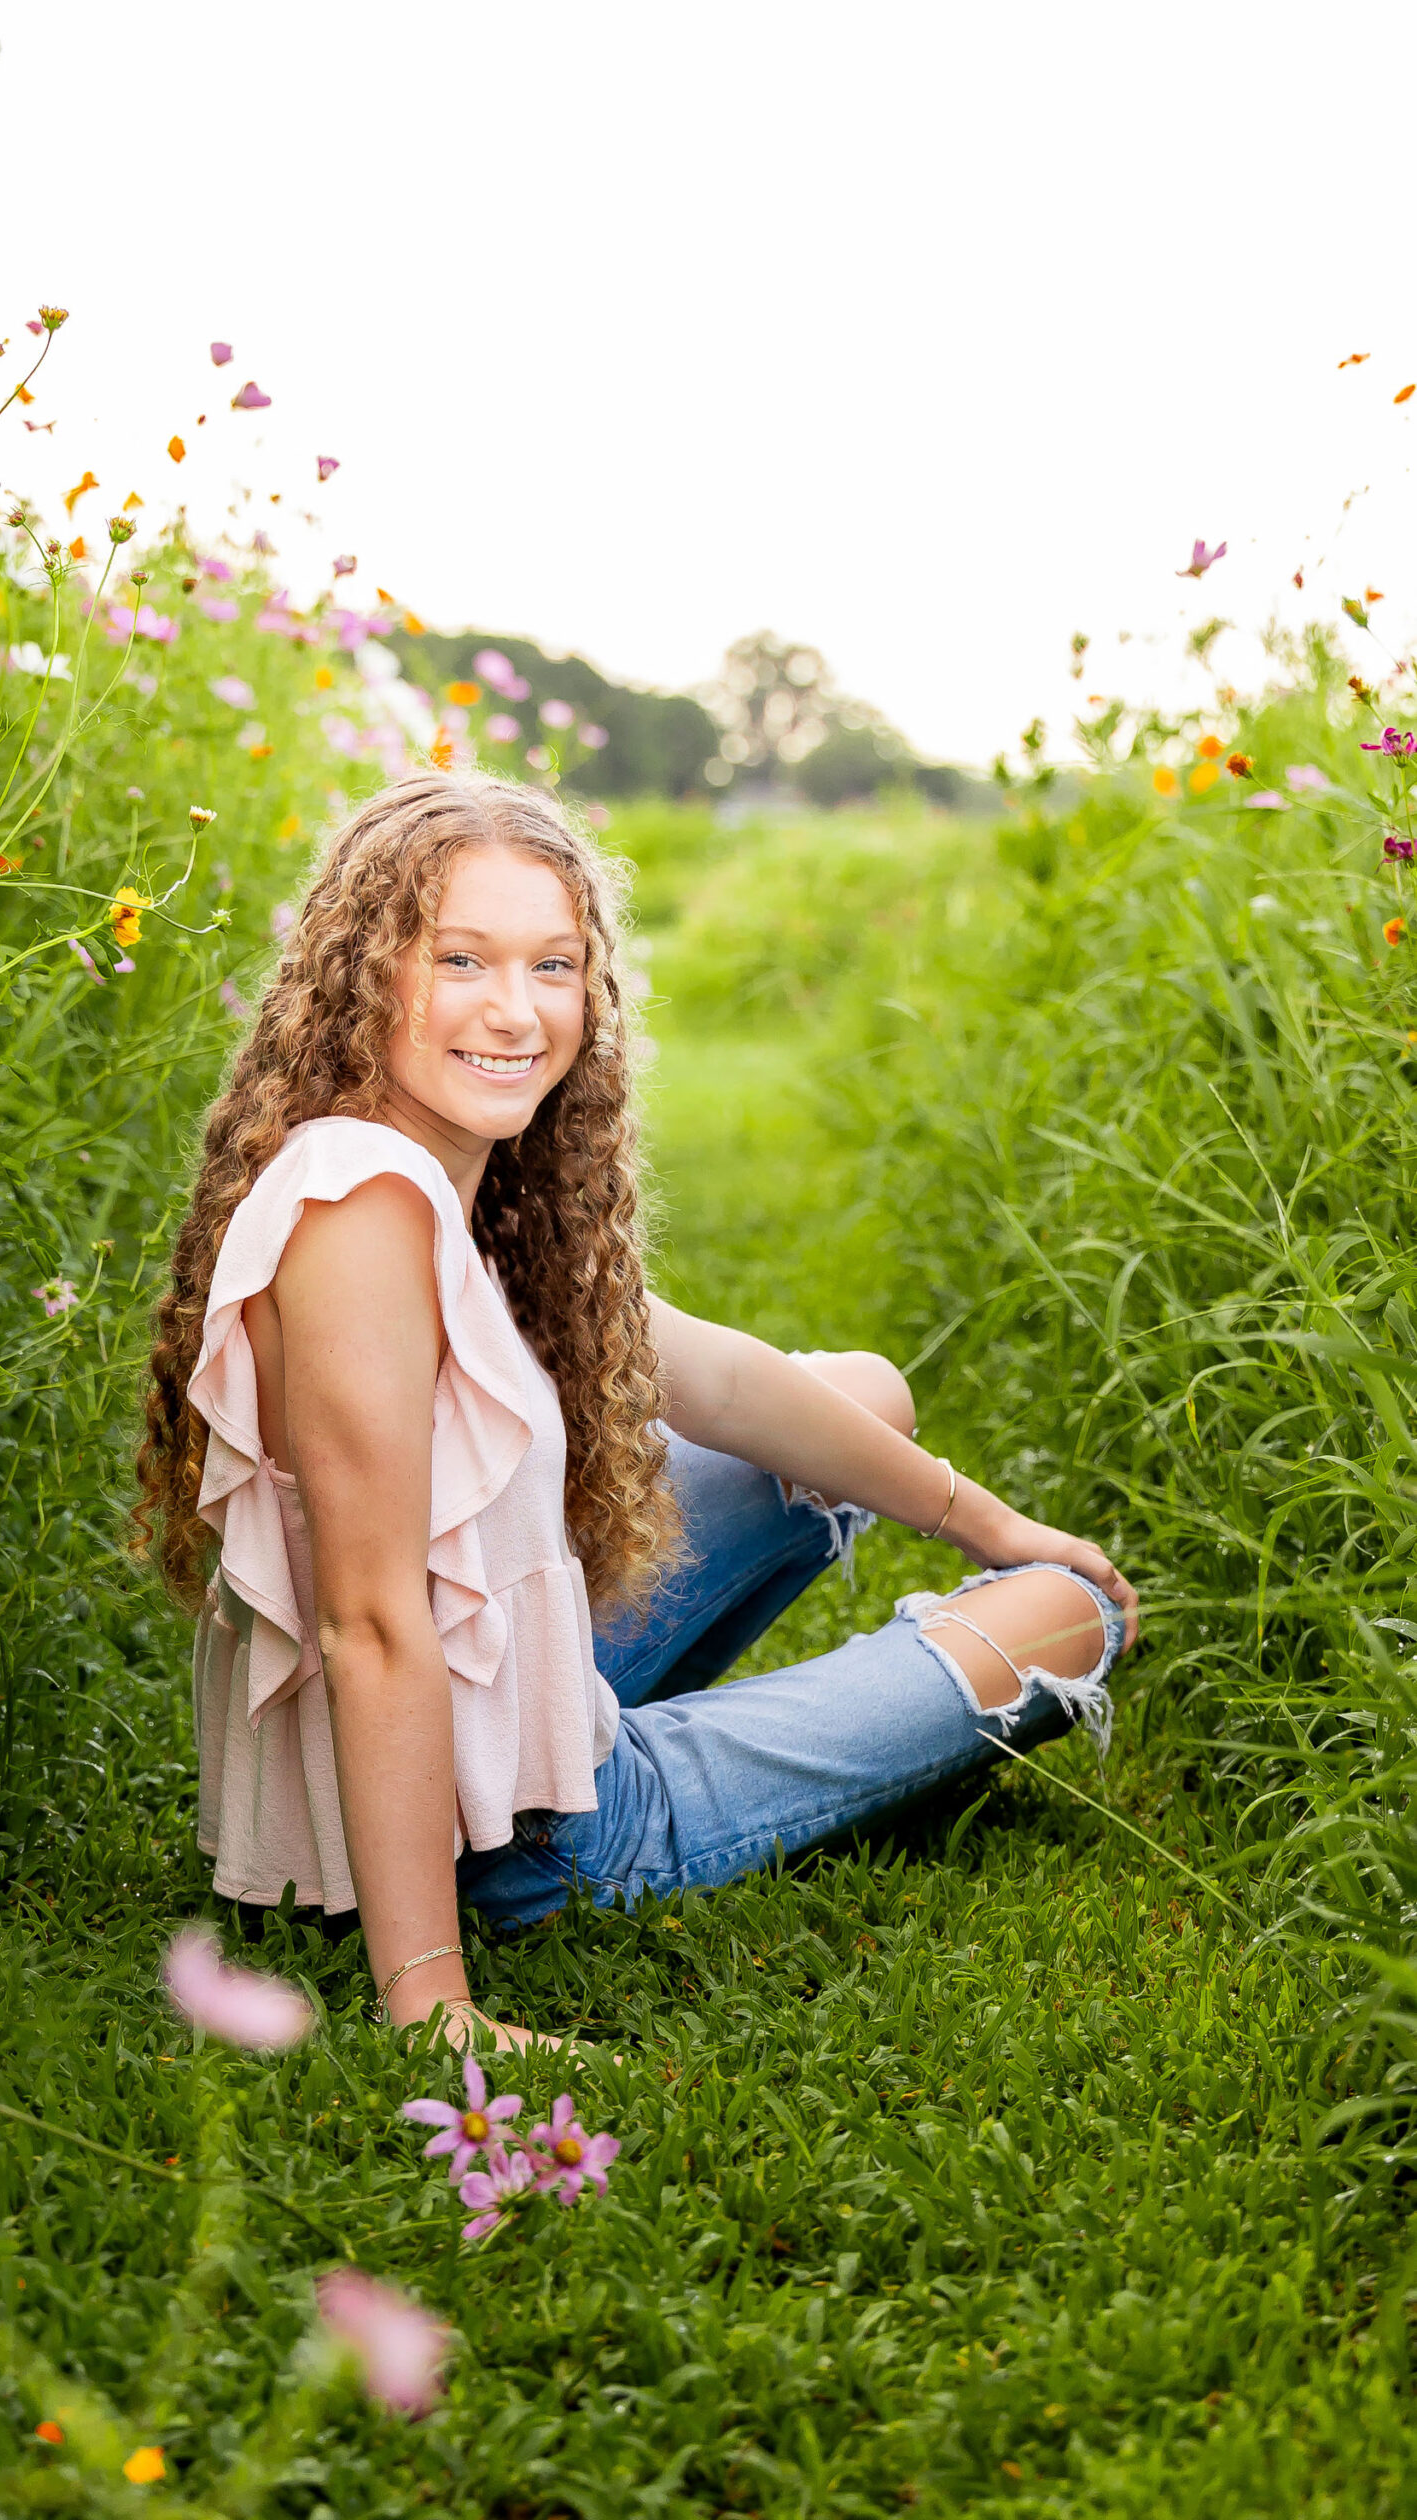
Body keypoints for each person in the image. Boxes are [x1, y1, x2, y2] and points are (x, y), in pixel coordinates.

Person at [135, 772, 1138, 2052]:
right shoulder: (366, 1215)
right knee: (1078, 1618)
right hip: (509, 1839)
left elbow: (708, 1376)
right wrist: (434, 2005)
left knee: (859, 1399)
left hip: (491, 1709)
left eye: (553, 964)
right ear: (367, 972)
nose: (515, 1010)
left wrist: (983, 1520)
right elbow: (373, 1621)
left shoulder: (421, 1169)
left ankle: (651, 1718)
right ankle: (624, 1800)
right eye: (461, 960)